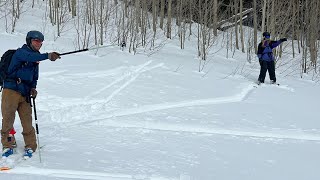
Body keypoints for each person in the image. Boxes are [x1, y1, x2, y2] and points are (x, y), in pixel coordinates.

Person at [1, 30, 60, 158]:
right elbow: (30, 57)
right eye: (36, 41)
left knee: (27, 121)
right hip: (10, 90)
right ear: (29, 41)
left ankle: (30, 146)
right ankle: (8, 145)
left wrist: (33, 87)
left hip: (25, 92)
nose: (39, 43)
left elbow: (35, 76)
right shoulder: (21, 53)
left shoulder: (36, 58)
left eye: (40, 42)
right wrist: (48, 56)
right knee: (8, 119)